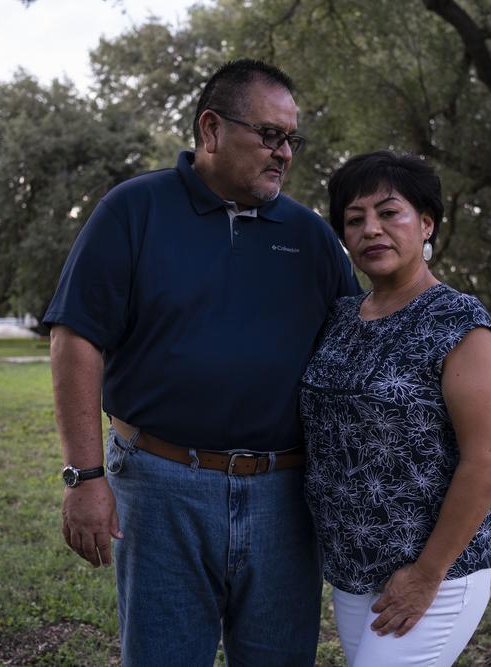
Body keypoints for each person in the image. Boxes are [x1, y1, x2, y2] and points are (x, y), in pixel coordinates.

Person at [43, 59, 358, 666]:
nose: (284, 153)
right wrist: (85, 477)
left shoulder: (312, 237)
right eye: (269, 135)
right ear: (211, 131)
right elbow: (76, 339)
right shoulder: (134, 210)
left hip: (285, 497)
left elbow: (356, 353)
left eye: (292, 139)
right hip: (162, 486)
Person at [299, 151, 491, 666]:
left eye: (389, 212)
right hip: (354, 570)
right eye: (354, 219)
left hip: (434, 574)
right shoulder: (342, 316)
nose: (371, 229)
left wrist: (425, 575)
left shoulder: (458, 321)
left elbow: (487, 459)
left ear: (426, 224)